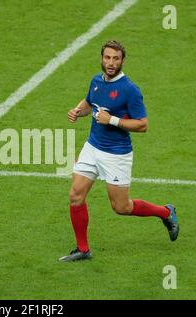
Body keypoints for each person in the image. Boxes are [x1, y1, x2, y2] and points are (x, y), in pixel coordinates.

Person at [59, 40, 179, 262]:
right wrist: (77, 111)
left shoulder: (130, 90)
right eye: (107, 58)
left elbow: (142, 124)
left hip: (116, 154)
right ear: (102, 59)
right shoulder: (96, 80)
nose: (111, 62)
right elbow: (89, 103)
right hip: (92, 147)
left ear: (123, 60)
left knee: (121, 207)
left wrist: (112, 120)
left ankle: (165, 212)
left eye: (115, 58)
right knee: (75, 196)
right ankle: (83, 249)